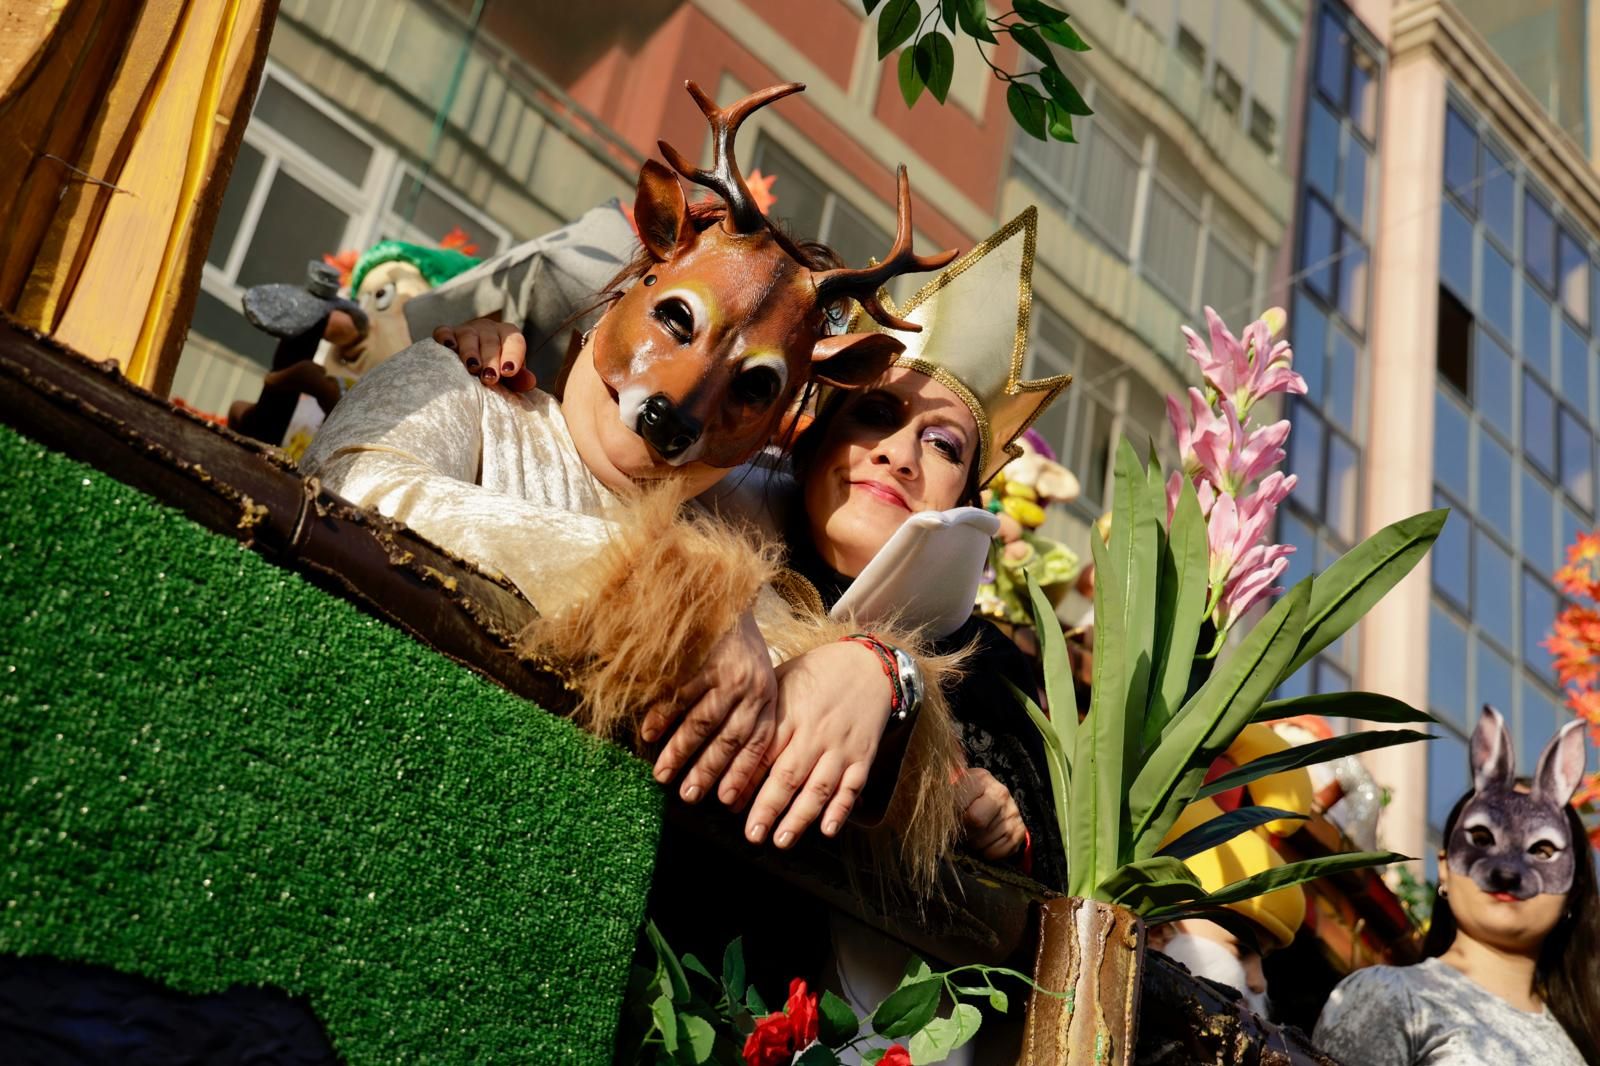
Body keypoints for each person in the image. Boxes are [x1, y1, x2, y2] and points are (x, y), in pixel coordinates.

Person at [1314, 707, 1599, 1065]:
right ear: (1444, 868)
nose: (1508, 869)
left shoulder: (1580, 1047)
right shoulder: (1391, 996)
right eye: (1482, 838)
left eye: (1541, 849)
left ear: (1574, 890)